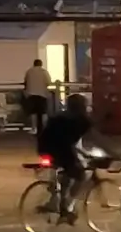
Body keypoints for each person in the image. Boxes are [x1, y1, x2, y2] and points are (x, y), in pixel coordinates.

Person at [36, 93, 99, 221]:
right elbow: (75, 143)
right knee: (82, 174)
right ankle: (68, 207)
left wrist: (81, 153)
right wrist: (86, 154)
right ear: (82, 107)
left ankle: (57, 201)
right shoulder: (82, 120)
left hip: (44, 149)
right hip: (61, 151)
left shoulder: (59, 117)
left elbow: (68, 141)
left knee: (68, 172)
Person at [21, 59, 55, 130]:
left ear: (34, 64)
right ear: (41, 64)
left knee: (33, 112)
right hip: (42, 95)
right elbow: (48, 82)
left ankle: (34, 128)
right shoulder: (44, 72)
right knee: (43, 112)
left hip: (31, 94)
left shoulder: (29, 71)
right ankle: (44, 128)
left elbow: (25, 82)